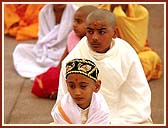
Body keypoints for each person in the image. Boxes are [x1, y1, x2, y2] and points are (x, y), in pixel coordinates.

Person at [56, 9, 152, 124]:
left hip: (124, 115)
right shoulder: (75, 57)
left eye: (101, 32)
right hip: (85, 118)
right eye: (90, 32)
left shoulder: (126, 53)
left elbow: (138, 94)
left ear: (114, 33)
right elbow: (66, 98)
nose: (94, 37)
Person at [12, 4, 77, 79]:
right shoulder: (44, 12)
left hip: (67, 50)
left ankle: (54, 67)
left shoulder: (75, 11)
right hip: (48, 50)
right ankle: (52, 67)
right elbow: (43, 38)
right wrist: (46, 51)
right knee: (20, 49)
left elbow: (77, 38)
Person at [51, 58, 110, 124]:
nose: (77, 93)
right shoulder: (62, 109)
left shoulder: (101, 109)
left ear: (96, 86)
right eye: (72, 86)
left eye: (83, 86)